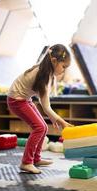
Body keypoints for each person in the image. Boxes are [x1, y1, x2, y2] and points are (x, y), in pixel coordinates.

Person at [7, 44, 73, 173]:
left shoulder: (45, 72)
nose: (63, 71)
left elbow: (45, 105)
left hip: (24, 99)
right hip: (16, 100)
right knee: (40, 127)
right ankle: (26, 162)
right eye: (63, 67)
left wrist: (56, 118)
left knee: (44, 127)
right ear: (54, 61)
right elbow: (46, 106)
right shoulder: (42, 75)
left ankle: (36, 158)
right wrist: (62, 122)